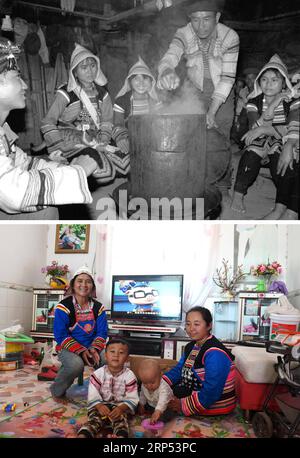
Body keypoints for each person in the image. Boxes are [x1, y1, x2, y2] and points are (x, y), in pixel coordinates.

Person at [0, 38, 98, 220]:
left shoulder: (3, 131)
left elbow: (23, 163)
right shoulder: (66, 93)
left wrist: (60, 166)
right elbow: (13, 192)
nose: (25, 85)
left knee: (48, 210)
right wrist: (76, 172)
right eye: (17, 77)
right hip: (68, 138)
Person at [157, 0, 239, 199]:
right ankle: (194, 179)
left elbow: (227, 78)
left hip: (222, 92)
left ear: (217, 18)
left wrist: (211, 112)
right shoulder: (183, 33)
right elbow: (170, 56)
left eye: (206, 19)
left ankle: (222, 184)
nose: (200, 26)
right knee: (193, 135)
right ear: (190, 20)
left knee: (220, 136)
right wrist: (167, 70)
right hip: (196, 89)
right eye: (195, 20)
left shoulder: (230, 37)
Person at [41, 43, 129, 184]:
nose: (90, 71)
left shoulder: (103, 93)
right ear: (75, 72)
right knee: (96, 160)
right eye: (84, 67)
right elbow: (48, 121)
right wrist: (58, 146)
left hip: (96, 135)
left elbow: (107, 120)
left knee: (124, 154)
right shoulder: (65, 93)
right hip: (71, 137)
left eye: (93, 66)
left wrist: (105, 137)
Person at [231, 54, 300, 219]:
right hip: (262, 140)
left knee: (283, 159)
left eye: (274, 80)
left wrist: (266, 130)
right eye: (264, 79)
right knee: (252, 152)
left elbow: (294, 126)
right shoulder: (253, 102)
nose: (268, 84)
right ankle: (238, 195)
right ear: (259, 82)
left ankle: (283, 206)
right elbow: (253, 128)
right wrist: (272, 107)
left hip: (284, 140)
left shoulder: (292, 101)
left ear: (283, 83)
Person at [162, 306, 236, 416]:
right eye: (188, 324)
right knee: (159, 391)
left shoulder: (214, 353)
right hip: (195, 389)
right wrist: (161, 383)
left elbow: (212, 391)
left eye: (196, 324)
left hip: (215, 403)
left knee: (166, 404)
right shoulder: (193, 346)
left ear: (209, 325)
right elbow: (179, 370)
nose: (191, 328)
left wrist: (182, 405)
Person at [50, 266, 108, 401]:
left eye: (88, 281)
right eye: (80, 281)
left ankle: (105, 392)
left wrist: (93, 349)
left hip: (93, 347)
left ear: (92, 286)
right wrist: (81, 351)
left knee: (107, 359)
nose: (84, 285)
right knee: (76, 365)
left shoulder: (99, 308)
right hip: (67, 348)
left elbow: (102, 332)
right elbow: (60, 335)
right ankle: (57, 391)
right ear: (73, 285)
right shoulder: (63, 307)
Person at [77, 338, 139, 438]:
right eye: (112, 351)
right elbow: (93, 393)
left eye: (121, 352)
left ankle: (120, 435)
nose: (116, 355)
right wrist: (99, 406)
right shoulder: (97, 374)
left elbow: (132, 397)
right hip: (100, 405)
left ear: (127, 358)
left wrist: (121, 408)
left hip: (120, 407)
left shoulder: (130, 376)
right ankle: (84, 435)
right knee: (94, 420)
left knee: (121, 421)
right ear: (105, 355)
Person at [112, 56, 162, 159]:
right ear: (130, 82)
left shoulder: (156, 102)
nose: (141, 82)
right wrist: (121, 138)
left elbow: (160, 126)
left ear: (151, 82)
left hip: (151, 143)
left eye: (145, 78)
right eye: (136, 78)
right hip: (129, 142)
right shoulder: (121, 101)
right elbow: (118, 124)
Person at [137, 358, 173, 424]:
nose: (149, 386)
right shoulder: (143, 385)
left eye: (152, 382)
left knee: (166, 415)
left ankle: (156, 417)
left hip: (166, 407)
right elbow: (142, 394)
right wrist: (141, 404)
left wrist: (158, 411)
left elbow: (163, 400)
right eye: (145, 383)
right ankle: (150, 414)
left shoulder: (164, 387)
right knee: (137, 406)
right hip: (152, 404)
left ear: (160, 375)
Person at [231, 66, 259, 146]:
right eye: (247, 78)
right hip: (242, 122)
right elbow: (238, 110)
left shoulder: (261, 92)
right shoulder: (243, 92)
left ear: (257, 79)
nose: (249, 80)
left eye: (252, 78)